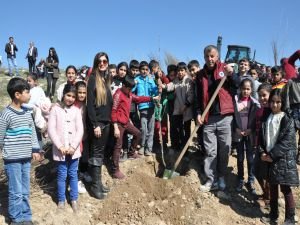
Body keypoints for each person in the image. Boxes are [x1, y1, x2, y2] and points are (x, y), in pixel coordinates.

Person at [0, 77, 42, 224]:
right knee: (15, 191)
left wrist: (35, 149)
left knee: (25, 189)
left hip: (25, 158)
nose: (29, 95)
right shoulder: (6, 114)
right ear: (17, 95)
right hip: (12, 160)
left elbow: (32, 133)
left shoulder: (26, 113)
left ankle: (26, 217)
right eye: (27, 92)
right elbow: (0, 135)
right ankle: (16, 219)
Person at [195, 45, 234, 192]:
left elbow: (236, 85)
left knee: (224, 150)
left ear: (217, 57)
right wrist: (199, 113)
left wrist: (232, 74)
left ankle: (222, 177)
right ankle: (211, 179)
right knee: (210, 151)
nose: (210, 59)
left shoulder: (224, 69)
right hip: (209, 118)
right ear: (204, 57)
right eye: (207, 56)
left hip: (225, 117)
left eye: (212, 56)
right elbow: (199, 97)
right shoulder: (200, 75)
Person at [259, 88, 299, 225]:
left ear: (282, 103)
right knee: (273, 189)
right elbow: (261, 139)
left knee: (286, 189)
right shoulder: (267, 117)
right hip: (269, 158)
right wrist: (262, 152)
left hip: (283, 160)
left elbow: (286, 142)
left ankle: (290, 219)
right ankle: (273, 215)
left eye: (278, 102)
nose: (275, 105)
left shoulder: (287, 119)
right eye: (272, 102)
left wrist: (272, 155)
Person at [111, 75, 158, 179]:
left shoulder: (129, 94)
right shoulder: (118, 95)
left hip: (126, 122)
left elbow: (138, 98)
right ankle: (115, 170)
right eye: (128, 88)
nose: (129, 91)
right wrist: (115, 126)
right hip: (118, 123)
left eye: (131, 89)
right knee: (118, 146)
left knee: (138, 134)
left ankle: (132, 153)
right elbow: (113, 111)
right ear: (123, 85)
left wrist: (151, 98)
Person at [47, 84, 84, 213]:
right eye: (68, 95)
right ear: (63, 95)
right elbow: (51, 129)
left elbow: (80, 130)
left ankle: (74, 199)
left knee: (73, 174)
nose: (71, 98)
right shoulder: (55, 110)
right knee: (62, 175)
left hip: (73, 151)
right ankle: (61, 200)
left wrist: (74, 146)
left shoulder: (76, 111)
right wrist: (60, 146)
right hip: (61, 151)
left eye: (73, 97)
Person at [86, 52, 112, 199]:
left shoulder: (105, 79)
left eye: (104, 61)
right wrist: (95, 124)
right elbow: (90, 105)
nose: (102, 63)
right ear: (96, 63)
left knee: (100, 154)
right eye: (99, 61)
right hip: (98, 124)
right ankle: (95, 187)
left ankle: (99, 183)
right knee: (96, 154)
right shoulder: (92, 79)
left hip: (106, 122)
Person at [233, 79, 260, 194]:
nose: (245, 91)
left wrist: (251, 129)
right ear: (240, 89)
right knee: (239, 158)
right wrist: (236, 129)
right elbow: (232, 117)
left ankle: (251, 180)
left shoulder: (254, 103)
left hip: (249, 135)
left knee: (250, 158)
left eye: (248, 89)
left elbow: (256, 120)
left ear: (251, 90)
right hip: (238, 134)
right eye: (244, 88)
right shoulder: (235, 101)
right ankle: (240, 179)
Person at [162, 62, 194, 151]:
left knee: (186, 130)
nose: (180, 72)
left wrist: (186, 104)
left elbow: (191, 95)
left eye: (182, 70)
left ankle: (185, 149)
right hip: (177, 110)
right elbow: (170, 86)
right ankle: (179, 146)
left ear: (185, 71)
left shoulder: (189, 81)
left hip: (186, 110)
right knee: (178, 129)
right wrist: (163, 86)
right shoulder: (176, 80)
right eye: (178, 71)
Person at [132, 61, 158, 156]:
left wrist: (157, 87)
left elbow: (155, 92)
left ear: (148, 71)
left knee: (151, 128)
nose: (144, 71)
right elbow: (131, 91)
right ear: (140, 70)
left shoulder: (151, 79)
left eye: (146, 69)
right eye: (143, 69)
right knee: (143, 129)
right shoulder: (137, 79)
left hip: (151, 106)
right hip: (142, 107)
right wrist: (133, 84)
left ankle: (149, 148)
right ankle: (142, 146)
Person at [254, 83, 272, 207]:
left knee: (267, 174)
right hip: (258, 146)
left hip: (268, 148)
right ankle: (266, 194)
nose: (262, 98)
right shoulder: (259, 110)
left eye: (264, 95)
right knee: (256, 171)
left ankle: (268, 198)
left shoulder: (273, 111)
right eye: (259, 96)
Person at [74, 81, 91, 194]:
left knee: (85, 157)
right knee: (76, 159)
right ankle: (77, 180)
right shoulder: (73, 105)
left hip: (85, 135)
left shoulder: (86, 104)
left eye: (84, 93)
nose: (81, 95)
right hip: (75, 137)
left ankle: (83, 175)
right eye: (79, 92)